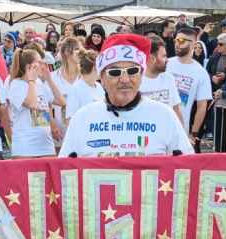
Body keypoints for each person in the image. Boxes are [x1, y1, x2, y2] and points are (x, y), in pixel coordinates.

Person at [59, 33, 191, 157]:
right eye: (115, 72)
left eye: (132, 71)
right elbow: (64, 168)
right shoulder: (82, 119)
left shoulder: (164, 116)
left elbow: (188, 165)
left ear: (141, 76)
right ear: (102, 78)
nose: (125, 79)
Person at [7, 48, 64, 158]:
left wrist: (49, 79)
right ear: (29, 67)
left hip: (46, 146)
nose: (43, 65)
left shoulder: (40, 83)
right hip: (26, 147)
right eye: (39, 62)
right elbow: (32, 104)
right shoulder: (16, 84)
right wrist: (31, 80)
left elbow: (61, 101)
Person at [167, 25, 212, 146]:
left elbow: (202, 106)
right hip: (157, 125)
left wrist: (194, 133)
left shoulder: (200, 72)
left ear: (193, 44)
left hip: (180, 130)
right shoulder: (166, 64)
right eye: (176, 40)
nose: (177, 44)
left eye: (181, 41)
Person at [140, 35, 183, 126]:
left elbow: (176, 109)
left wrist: (182, 132)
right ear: (152, 58)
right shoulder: (136, 82)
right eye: (164, 56)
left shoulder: (169, 79)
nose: (167, 60)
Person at [63, 49, 104, 121]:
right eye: (101, 66)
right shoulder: (75, 90)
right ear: (94, 68)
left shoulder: (99, 87)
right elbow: (70, 120)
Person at [51, 36, 82, 129]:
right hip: (58, 133)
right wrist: (52, 128)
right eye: (77, 49)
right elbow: (44, 105)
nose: (81, 53)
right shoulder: (52, 77)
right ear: (67, 52)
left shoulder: (86, 77)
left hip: (81, 131)